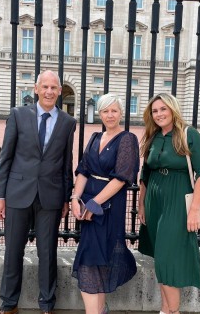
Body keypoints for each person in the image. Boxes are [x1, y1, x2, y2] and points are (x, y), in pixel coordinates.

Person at [0, 70, 76, 314]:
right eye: (45, 87)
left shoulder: (68, 122)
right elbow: (4, 157)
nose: (49, 91)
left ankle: (47, 305)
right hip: (18, 193)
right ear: (36, 89)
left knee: (47, 254)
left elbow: (66, 163)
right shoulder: (18, 115)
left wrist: (64, 197)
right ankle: (9, 304)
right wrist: (0, 196)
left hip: (50, 196)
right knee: (13, 251)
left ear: (60, 91)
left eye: (54, 88)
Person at [138, 93, 200, 314]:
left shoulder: (189, 135)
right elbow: (145, 173)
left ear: (173, 109)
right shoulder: (153, 136)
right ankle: (165, 310)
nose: (159, 114)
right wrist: (141, 205)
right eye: (155, 111)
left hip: (178, 203)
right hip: (154, 203)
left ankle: (173, 311)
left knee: (168, 260)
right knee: (160, 259)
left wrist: (194, 210)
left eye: (163, 109)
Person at [71, 93, 139, 314]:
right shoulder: (94, 137)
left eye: (114, 110)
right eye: (105, 111)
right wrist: (75, 198)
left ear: (121, 113)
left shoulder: (127, 139)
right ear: (99, 113)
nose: (110, 115)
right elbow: (83, 170)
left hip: (108, 206)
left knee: (91, 260)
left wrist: (94, 204)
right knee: (94, 258)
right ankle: (99, 311)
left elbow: (121, 178)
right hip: (87, 202)